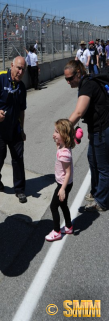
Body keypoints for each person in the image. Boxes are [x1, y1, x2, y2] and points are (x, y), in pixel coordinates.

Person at [64, 60, 109, 211]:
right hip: (95, 129)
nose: (68, 82)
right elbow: (92, 110)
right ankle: (96, 191)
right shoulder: (85, 83)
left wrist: (62, 129)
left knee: (103, 167)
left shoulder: (87, 85)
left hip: (102, 129)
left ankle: (102, 202)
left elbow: (79, 112)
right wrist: (90, 131)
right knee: (92, 159)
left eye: (70, 78)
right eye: (66, 79)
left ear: (78, 74)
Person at [0, 56, 27, 203]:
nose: (21, 71)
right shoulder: (1, 78)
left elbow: (22, 110)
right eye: (18, 68)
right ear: (12, 66)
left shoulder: (22, 87)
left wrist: (22, 129)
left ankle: (20, 189)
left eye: (23, 69)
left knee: (18, 159)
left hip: (15, 130)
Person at [45, 119, 75, 242]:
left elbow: (68, 172)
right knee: (63, 204)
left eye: (57, 132)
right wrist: (58, 143)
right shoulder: (63, 146)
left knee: (53, 206)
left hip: (64, 184)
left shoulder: (65, 153)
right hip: (63, 183)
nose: (54, 134)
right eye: (55, 131)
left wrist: (62, 189)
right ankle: (69, 226)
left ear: (64, 135)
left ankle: (56, 232)